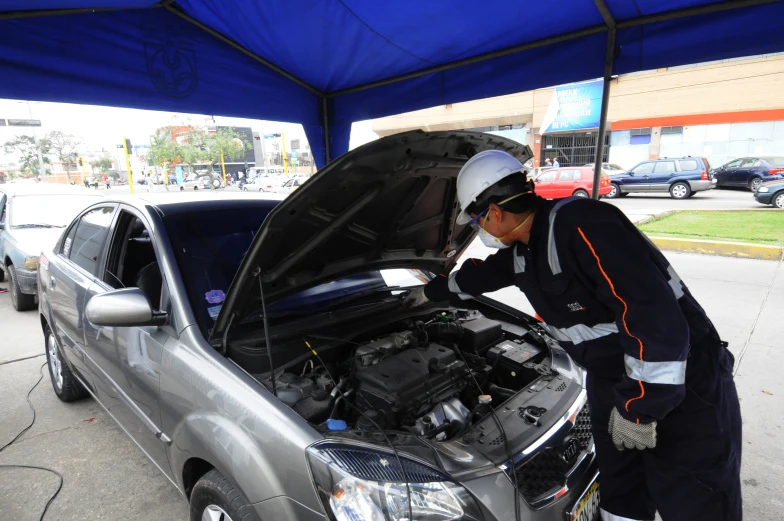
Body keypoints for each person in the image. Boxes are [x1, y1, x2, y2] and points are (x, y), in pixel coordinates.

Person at [404, 150, 741, 521]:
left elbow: (653, 321)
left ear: (496, 212)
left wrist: (639, 409)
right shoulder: (524, 250)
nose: (480, 228)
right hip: (613, 380)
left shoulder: (585, 225)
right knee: (621, 488)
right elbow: (476, 278)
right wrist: (430, 292)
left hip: (682, 382)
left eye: (479, 220)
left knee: (695, 496)